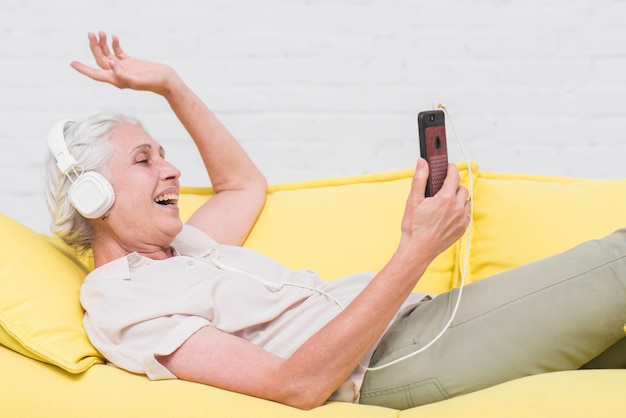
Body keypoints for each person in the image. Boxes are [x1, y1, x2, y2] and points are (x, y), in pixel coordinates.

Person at [45, 32, 626, 410]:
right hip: (389, 363)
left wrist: (171, 84)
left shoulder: (189, 246)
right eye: (144, 161)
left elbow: (242, 185)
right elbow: (292, 386)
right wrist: (416, 249)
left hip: (417, 324)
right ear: (91, 196)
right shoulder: (122, 303)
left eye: (163, 154)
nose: (171, 170)